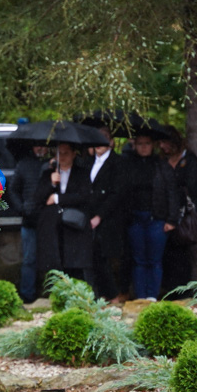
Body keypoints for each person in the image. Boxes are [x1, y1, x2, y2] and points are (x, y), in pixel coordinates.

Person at [125, 132, 180, 300]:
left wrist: (171, 219)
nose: (143, 147)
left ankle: (152, 296)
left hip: (156, 218)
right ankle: (141, 296)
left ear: (153, 145)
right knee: (139, 260)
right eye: (140, 143)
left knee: (155, 260)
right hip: (134, 218)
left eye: (147, 143)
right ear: (134, 145)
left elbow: (172, 192)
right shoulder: (128, 165)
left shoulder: (162, 165)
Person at [34, 143, 93, 281]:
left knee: (74, 263)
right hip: (53, 226)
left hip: (73, 225)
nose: (62, 157)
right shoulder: (48, 173)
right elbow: (38, 198)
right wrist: (52, 184)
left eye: (66, 153)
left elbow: (84, 196)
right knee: (54, 264)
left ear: (74, 154)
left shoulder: (82, 173)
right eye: (59, 153)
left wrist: (57, 198)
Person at [159, 124, 197, 295]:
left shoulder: (191, 162)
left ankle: (183, 292)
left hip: (183, 217)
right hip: (165, 215)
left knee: (182, 257)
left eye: (165, 142)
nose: (162, 147)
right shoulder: (162, 162)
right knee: (167, 256)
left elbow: (192, 188)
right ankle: (170, 290)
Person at [86, 128, 127, 301]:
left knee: (106, 257)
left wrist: (100, 215)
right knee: (94, 256)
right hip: (90, 215)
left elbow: (117, 193)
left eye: (104, 139)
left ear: (111, 142)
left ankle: (113, 294)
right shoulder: (88, 162)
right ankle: (100, 294)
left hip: (109, 217)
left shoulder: (118, 162)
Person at [9, 143, 49, 303]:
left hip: (48, 219)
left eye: (43, 146)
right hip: (29, 219)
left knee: (50, 259)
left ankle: (50, 293)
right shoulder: (24, 165)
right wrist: (21, 208)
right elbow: (12, 189)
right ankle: (28, 295)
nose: (40, 149)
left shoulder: (53, 164)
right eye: (37, 146)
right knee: (29, 260)